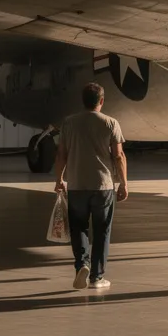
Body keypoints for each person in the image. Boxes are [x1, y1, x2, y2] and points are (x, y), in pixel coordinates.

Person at [53, 82, 127, 291]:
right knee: (102, 230)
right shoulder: (111, 123)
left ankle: (81, 265)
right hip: (103, 186)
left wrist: (59, 179)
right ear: (101, 101)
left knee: (78, 228)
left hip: (77, 185)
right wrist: (123, 183)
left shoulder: (69, 123)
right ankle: (97, 277)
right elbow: (119, 156)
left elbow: (61, 155)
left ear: (83, 101)